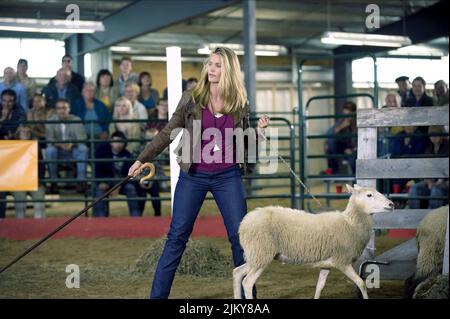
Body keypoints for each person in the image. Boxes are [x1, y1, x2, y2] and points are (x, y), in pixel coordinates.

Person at [128, 47, 269, 299]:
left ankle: (249, 301)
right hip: (193, 175)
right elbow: (167, 133)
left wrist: (258, 134)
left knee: (240, 239)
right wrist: (142, 158)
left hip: (228, 175)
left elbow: (246, 145)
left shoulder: (239, 103)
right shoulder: (191, 98)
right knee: (176, 238)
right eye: (210, 64)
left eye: (218, 65)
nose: (211, 69)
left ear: (229, 70)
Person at [93, 131, 144, 217]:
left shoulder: (127, 155)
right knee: (99, 190)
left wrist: (119, 185)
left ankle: (136, 217)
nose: (119, 144)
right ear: (111, 142)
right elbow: (98, 169)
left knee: (131, 188)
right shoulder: (102, 151)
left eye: (121, 142)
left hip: (121, 183)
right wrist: (101, 182)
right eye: (116, 141)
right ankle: (99, 219)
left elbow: (129, 175)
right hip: (105, 181)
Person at [45, 98, 88, 194]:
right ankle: (53, 182)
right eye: (59, 108)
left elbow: (82, 138)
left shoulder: (76, 120)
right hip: (58, 151)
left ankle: (81, 182)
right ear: (56, 110)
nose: (62, 110)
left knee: (83, 149)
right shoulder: (50, 121)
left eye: (64, 108)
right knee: (49, 150)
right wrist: (60, 144)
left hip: (73, 150)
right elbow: (49, 139)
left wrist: (72, 144)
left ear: (69, 109)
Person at [408, 125, 449, 209]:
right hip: (431, 181)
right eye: (431, 135)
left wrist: (438, 183)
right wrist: (429, 181)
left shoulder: (448, 146)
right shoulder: (428, 149)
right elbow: (425, 168)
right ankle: (413, 216)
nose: (433, 137)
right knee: (414, 188)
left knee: (435, 191)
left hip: (445, 181)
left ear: (441, 134)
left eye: (436, 134)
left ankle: (432, 218)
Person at [12, 125, 46, 218]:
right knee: (20, 202)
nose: (25, 134)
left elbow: (41, 166)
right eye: (23, 132)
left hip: (34, 181)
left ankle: (40, 226)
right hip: (18, 183)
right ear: (18, 134)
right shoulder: (11, 147)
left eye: (28, 132)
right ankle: (20, 225)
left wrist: (38, 181)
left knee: (39, 201)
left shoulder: (36, 146)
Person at [323, 101, 357, 174]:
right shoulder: (341, 121)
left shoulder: (357, 124)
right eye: (344, 114)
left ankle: (356, 179)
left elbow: (360, 140)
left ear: (353, 114)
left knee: (353, 158)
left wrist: (353, 149)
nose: (346, 117)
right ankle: (333, 169)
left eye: (348, 115)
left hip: (353, 149)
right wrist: (341, 127)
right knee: (330, 142)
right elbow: (329, 134)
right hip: (341, 148)